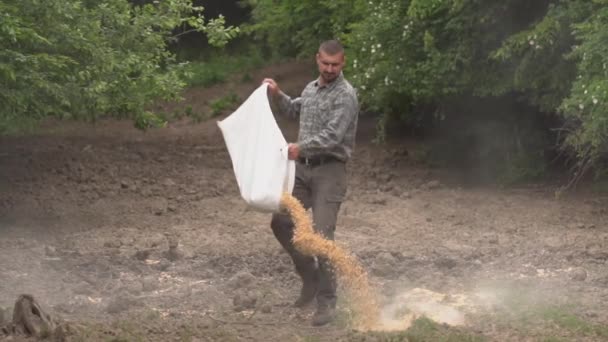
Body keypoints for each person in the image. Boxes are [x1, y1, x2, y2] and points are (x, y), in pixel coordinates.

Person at [263, 39, 359, 326]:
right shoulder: (311, 88)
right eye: (325, 63)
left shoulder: (346, 95)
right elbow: (295, 110)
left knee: (322, 234)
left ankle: (327, 302)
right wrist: (278, 94)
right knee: (280, 222)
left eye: (335, 64)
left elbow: (332, 136)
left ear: (343, 63)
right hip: (303, 171)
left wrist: (300, 148)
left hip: (330, 170)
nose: (330, 69)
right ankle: (310, 275)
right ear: (317, 59)